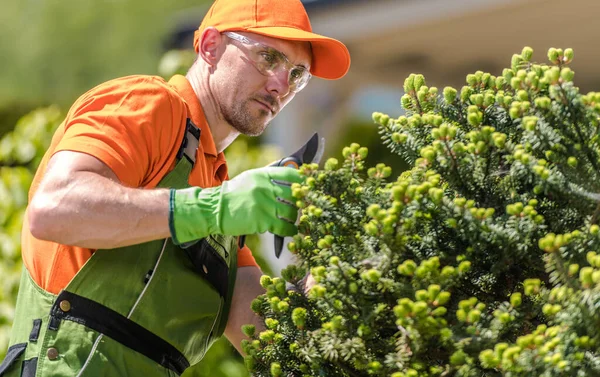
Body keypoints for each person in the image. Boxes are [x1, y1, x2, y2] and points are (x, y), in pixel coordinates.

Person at [0, 0, 350, 375]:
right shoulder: (149, 105)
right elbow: (53, 208)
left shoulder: (219, 192)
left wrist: (337, 269)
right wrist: (216, 207)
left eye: (297, 74)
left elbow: (282, 347)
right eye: (268, 58)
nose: (281, 84)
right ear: (210, 46)